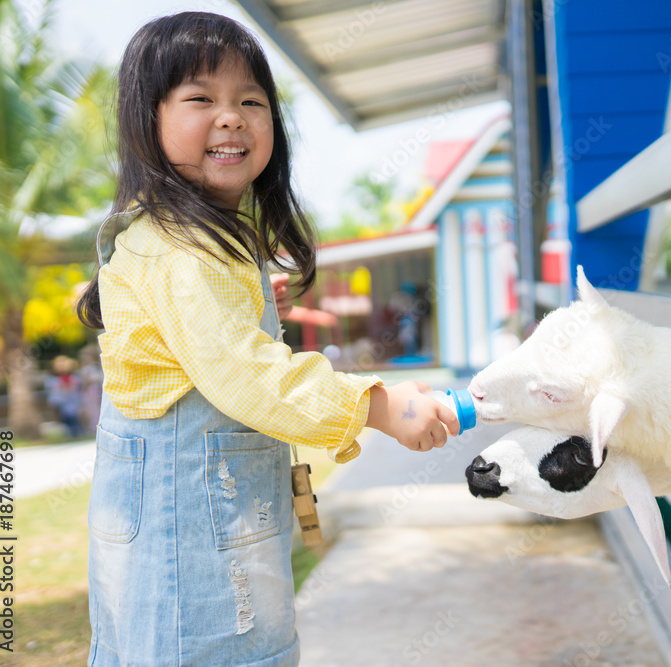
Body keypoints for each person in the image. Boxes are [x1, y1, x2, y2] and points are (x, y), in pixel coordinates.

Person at [73, 13, 460, 666]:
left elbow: (197, 342)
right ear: (147, 118)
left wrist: (249, 308)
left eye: (251, 101)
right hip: (190, 552)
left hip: (171, 540)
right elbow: (248, 376)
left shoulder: (185, 238)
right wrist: (377, 406)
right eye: (201, 98)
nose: (232, 117)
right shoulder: (184, 250)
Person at [45, 355, 83, 437]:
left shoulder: (74, 377)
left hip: (72, 401)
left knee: (73, 418)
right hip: (59, 401)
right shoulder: (52, 378)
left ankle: (75, 433)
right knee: (62, 418)